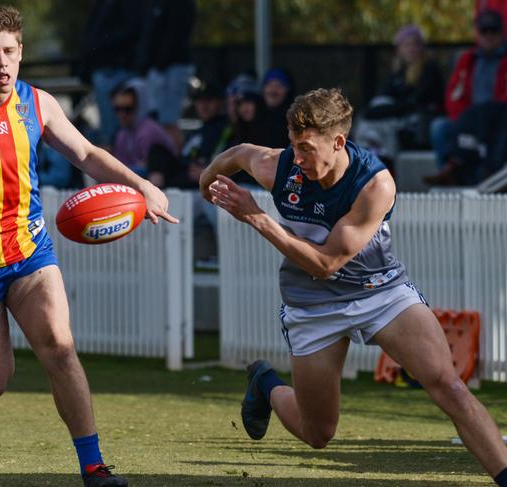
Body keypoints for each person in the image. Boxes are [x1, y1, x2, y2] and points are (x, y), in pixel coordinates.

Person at [0, 7, 177, 487]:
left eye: (9, 52)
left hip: (30, 254)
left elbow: (86, 154)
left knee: (61, 348)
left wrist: (141, 186)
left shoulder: (38, 103)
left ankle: (94, 468)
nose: (2, 63)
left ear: (21, 52)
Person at [198, 88, 507, 486]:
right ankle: (268, 384)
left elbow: (326, 263)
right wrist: (208, 185)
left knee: (448, 386)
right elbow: (236, 153)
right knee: (318, 434)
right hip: (311, 304)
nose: (298, 158)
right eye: (293, 145)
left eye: (307, 148)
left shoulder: (375, 184)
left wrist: (257, 217)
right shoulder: (279, 165)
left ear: (338, 142)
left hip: (380, 292)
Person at [425, 9, 507, 184]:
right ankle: (449, 176)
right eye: (485, 31)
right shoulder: (467, 60)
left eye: (494, 31)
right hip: (468, 120)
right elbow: (453, 95)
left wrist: (483, 118)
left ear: (501, 33)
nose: (489, 35)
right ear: (478, 33)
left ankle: (484, 177)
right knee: (439, 127)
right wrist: (466, 119)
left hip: (499, 119)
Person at [353, 24, 444, 168]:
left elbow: (413, 103)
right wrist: (376, 111)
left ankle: (380, 162)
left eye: (415, 44)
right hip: (400, 115)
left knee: (381, 122)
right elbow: (383, 98)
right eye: (407, 44)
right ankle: (369, 156)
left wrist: (379, 112)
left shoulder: (429, 70)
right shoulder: (398, 73)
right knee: (371, 114)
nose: (411, 48)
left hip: (418, 120)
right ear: (399, 49)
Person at [135, 0, 196, 150]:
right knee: (160, 123)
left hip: (173, 68)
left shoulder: (181, 4)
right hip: (158, 70)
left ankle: (175, 164)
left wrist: (160, 63)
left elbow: (177, 34)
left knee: (169, 123)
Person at [80, 0, 141, 148]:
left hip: (119, 70)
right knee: (109, 130)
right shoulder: (103, 5)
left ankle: (114, 153)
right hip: (104, 70)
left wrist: (101, 47)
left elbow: (133, 30)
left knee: (115, 129)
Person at [110, 79, 177, 186]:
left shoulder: (149, 130)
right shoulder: (122, 134)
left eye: (128, 109)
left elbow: (143, 170)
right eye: (117, 109)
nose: (122, 114)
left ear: (140, 106)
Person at [260, 67, 295, 149]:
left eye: (279, 86)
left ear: (288, 90)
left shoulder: (295, 120)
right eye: (269, 85)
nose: (273, 90)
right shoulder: (253, 117)